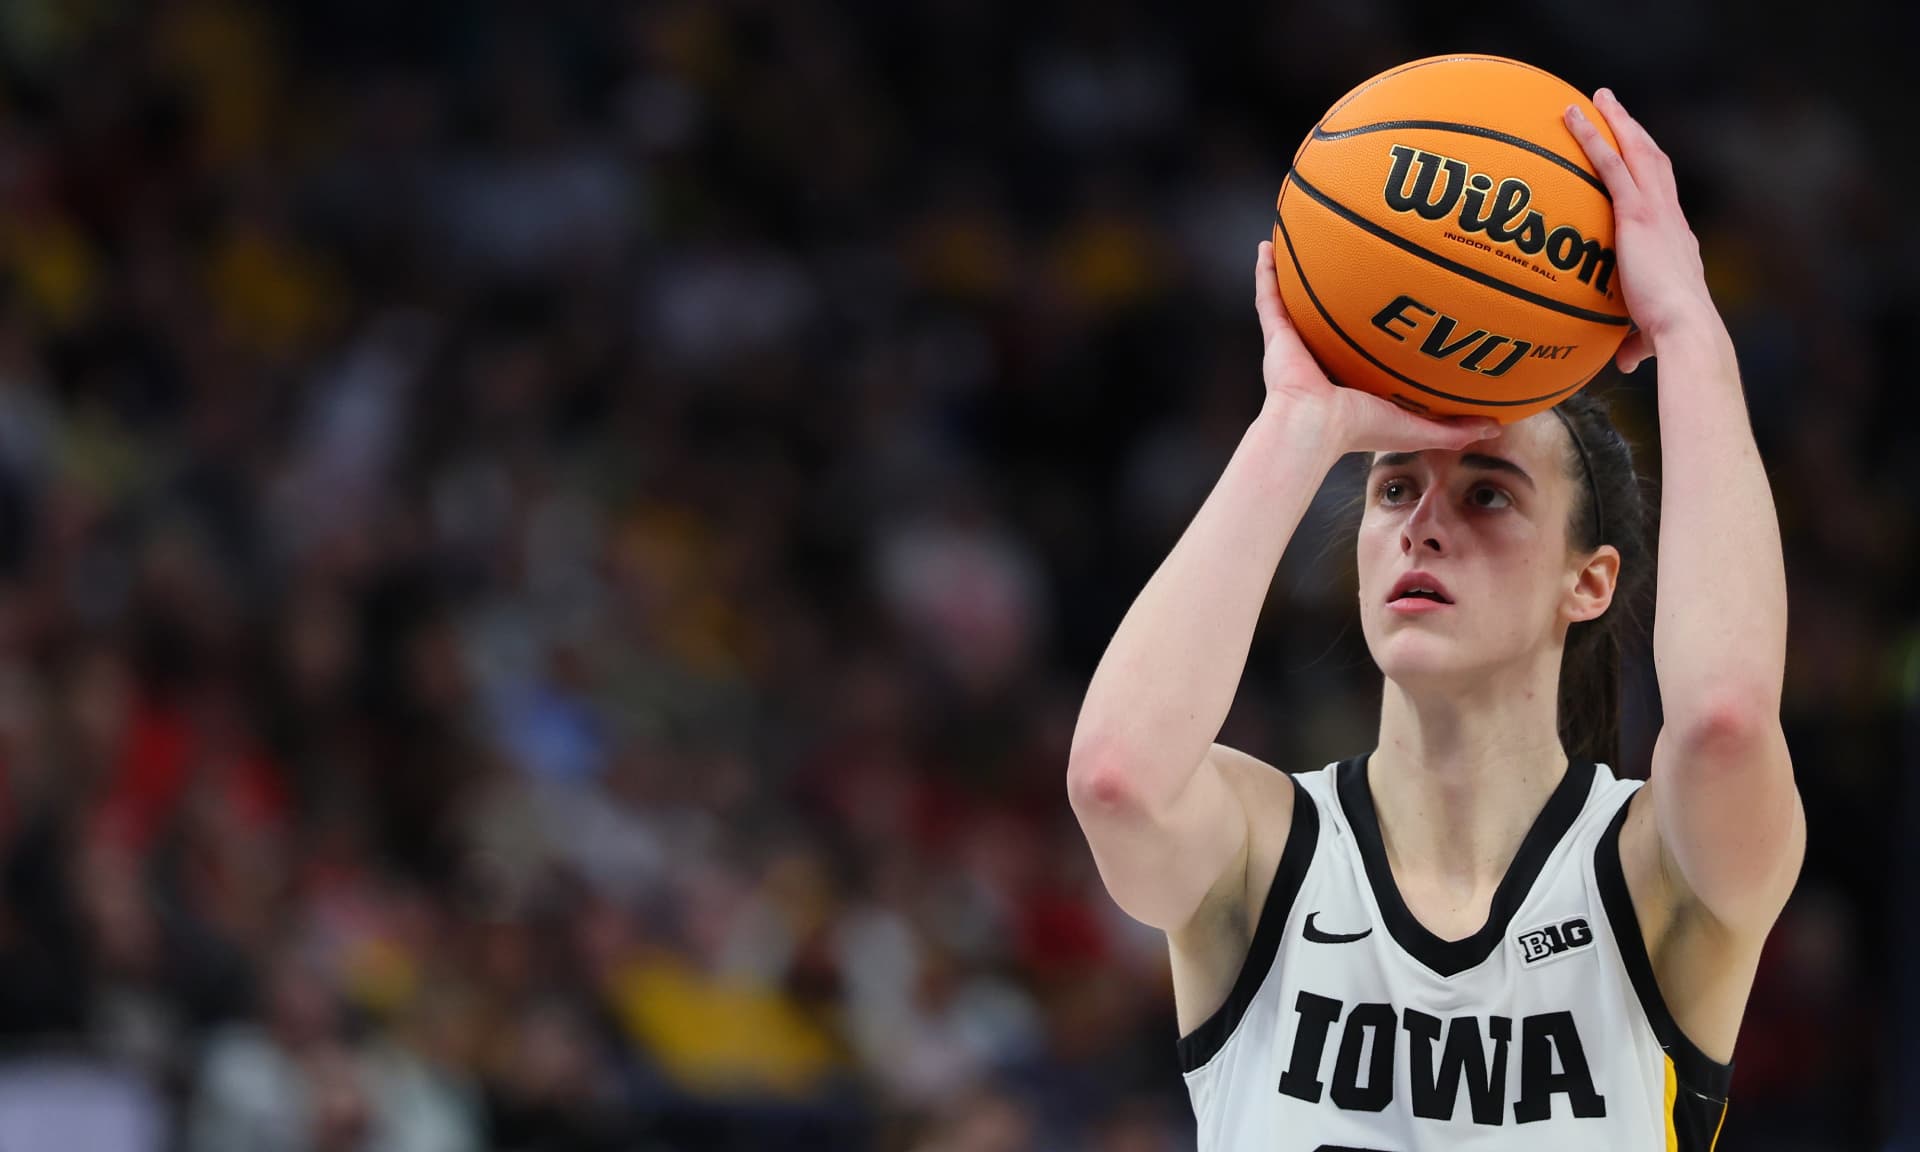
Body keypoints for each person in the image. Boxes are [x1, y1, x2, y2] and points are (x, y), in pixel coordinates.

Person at [1065, 88, 1801, 1151]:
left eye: (1488, 493)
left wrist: (1688, 326)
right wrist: (1299, 424)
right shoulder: (1268, 853)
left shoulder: (1650, 872)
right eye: (1394, 489)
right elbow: (1115, 781)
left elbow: (1726, 718)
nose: (1422, 526)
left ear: (1589, 582)